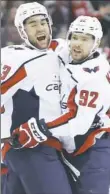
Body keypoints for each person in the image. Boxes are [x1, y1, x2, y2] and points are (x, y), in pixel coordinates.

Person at [12, 16, 110, 194]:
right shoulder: (65, 51)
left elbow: (79, 122)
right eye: (74, 37)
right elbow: (50, 44)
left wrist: (39, 129)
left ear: (96, 43)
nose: (77, 43)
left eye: (85, 39)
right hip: (68, 148)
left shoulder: (94, 76)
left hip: (93, 149)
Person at [1, 2, 73, 194]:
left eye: (43, 22)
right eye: (32, 24)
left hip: (43, 149)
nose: (40, 27)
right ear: (22, 31)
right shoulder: (16, 58)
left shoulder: (61, 51)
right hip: (30, 147)